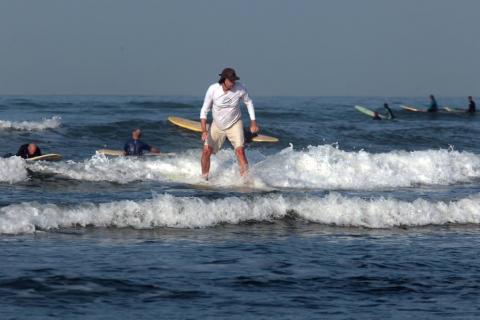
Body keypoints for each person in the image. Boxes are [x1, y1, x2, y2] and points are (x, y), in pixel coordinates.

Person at [200, 67, 259, 179]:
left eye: (234, 80)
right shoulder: (213, 89)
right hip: (217, 125)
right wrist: (203, 130)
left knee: (240, 151)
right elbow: (204, 110)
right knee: (206, 151)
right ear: (224, 80)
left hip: (234, 124)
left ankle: (245, 181)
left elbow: (249, 103)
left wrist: (253, 123)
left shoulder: (240, 88)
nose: (233, 83)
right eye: (231, 80)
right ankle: (204, 178)